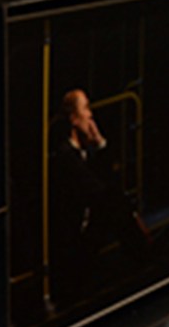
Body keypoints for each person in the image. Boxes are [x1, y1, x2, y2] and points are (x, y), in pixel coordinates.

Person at [48, 89, 153, 310]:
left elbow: (109, 183)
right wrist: (129, 210)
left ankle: (143, 252)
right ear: (74, 119)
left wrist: (101, 144)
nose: (91, 115)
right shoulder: (66, 156)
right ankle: (145, 254)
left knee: (114, 201)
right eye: (86, 109)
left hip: (88, 223)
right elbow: (98, 192)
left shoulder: (83, 153)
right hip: (73, 242)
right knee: (113, 202)